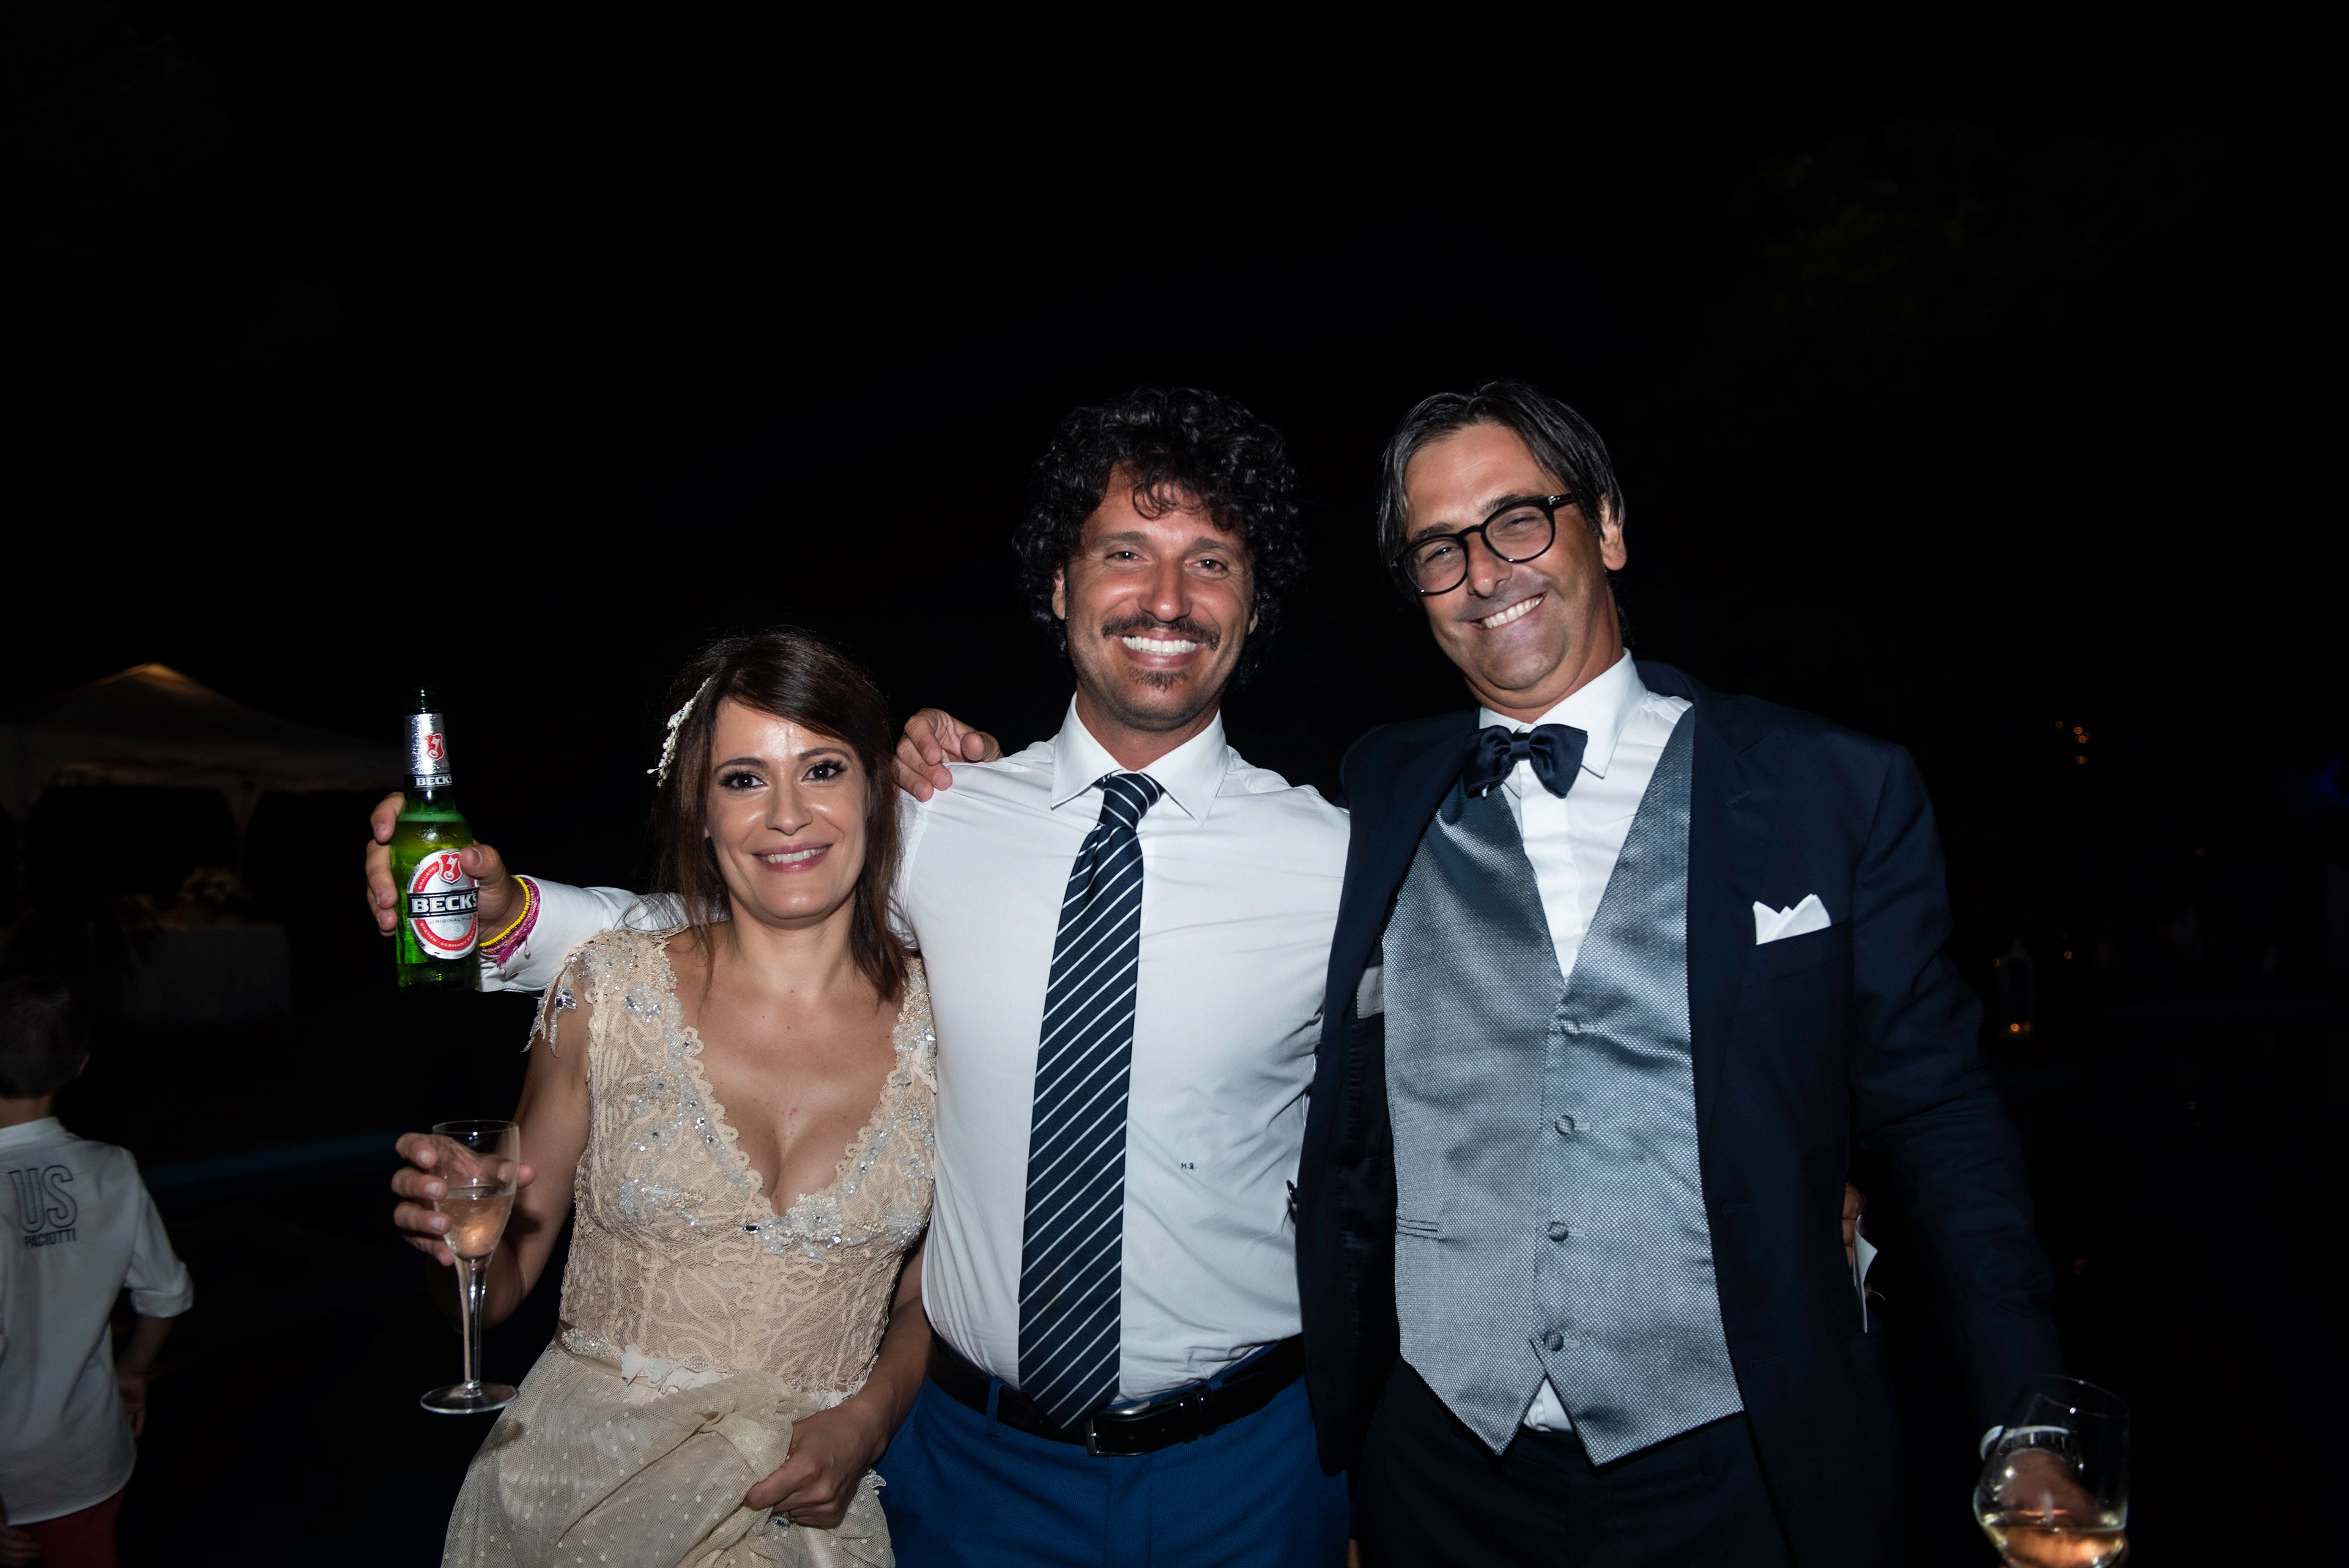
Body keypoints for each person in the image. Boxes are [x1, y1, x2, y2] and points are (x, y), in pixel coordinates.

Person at [370, 388, 1356, 1567]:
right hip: (976, 1468)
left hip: (1243, 1467)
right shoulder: (939, 814)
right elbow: (734, 926)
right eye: (1125, 553)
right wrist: (500, 915)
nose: (1166, 597)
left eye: (1212, 561)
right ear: (1060, 585)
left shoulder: (1339, 863)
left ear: (1256, 601)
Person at [1293, 382, 2067, 1566]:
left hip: (1738, 1467)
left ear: (1606, 526)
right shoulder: (1375, 791)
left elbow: (1941, 1116)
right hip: (1440, 1471)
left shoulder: (1827, 789)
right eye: (1440, 549)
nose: (1485, 572)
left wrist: (2026, 1412)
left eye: (1517, 521)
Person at [393, 631, 937, 1566]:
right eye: (743, 779)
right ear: (700, 810)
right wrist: (453, 1242)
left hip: (806, 1523)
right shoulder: (607, 994)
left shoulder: (951, 1023)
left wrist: (872, 1415)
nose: (788, 813)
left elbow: (936, 1287)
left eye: (821, 768)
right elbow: (497, 1289)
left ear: (876, 792)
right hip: (576, 1506)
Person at [0, 976, 193, 1568]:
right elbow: (166, 1294)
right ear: (79, 1064)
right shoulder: (111, 1168)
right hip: (87, 1458)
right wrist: (131, 1370)